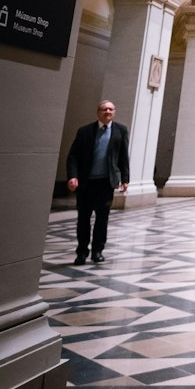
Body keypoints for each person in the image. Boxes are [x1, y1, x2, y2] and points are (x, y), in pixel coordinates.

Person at [66, 100, 130, 265]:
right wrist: (73, 176)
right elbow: (73, 156)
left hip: (105, 183)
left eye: (110, 109)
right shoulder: (85, 131)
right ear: (98, 112)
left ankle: (97, 251)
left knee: (102, 218)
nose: (107, 112)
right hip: (87, 182)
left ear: (114, 112)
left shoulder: (120, 131)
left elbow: (123, 156)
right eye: (104, 109)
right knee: (83, 218)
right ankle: (81, 252)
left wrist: (125, 179)